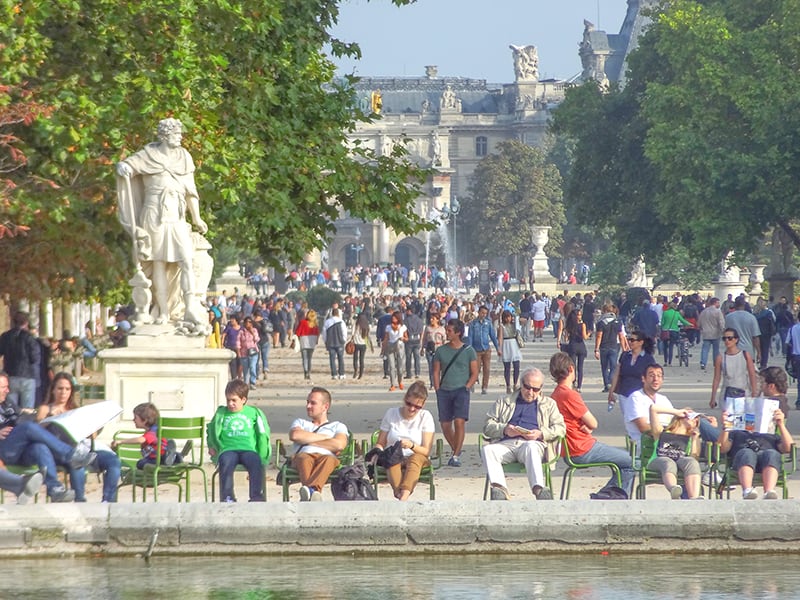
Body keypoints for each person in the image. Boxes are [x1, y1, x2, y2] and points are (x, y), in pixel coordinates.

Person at [116, 117, 208, 326]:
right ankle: (163, 311)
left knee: (186, 260)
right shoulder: (149, 155)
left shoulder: (184, 157)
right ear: (165, 136)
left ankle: (190, 306)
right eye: (176, 134)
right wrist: (123, 167)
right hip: (153, 214)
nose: (180, 137)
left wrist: (197, 218)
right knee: (158, 263)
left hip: (176, 214)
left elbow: (190, 191)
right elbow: (128, 166)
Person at [549, 352, 636, 498]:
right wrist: (588, 425)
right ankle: (609, 497)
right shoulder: (570, 395)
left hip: (569, 448)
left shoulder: (555, 394)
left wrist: (586, 425)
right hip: (581, 447)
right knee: (630, 462)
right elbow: (593, 422)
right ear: (571, 369)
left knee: (621, 461)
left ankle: (612, 495)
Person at [0, 372, 94, 502]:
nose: (8, 390)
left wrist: (27, 414)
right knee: (28, 427)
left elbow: (19, 419)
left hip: (21, 448)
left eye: (7, 386)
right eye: (3, 387)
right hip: (5, 449)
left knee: (40, 447)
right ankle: (71, 454)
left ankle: (54, 489)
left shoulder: (7, 403)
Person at [481, 367, 565, 501]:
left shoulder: (549, 404)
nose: (531, 392)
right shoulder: (504, 401)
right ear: (521, 384)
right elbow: (487, 426)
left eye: (536, 389)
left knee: (530, 447)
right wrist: (505, 429)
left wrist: (541, 433)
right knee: (487, 450)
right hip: (506, 444)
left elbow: (561, 428)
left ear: (541, 388)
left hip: (534, 444)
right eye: (527, 387)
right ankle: (500, 489)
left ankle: (539, 489)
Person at [36, 372, 121, 502]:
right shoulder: (46, 409)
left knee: (113, 461)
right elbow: (37, 429)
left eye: (67, 389)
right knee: (77, 462)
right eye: (60, 388)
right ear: (53, 390)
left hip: (82, 448)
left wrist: (93, 426)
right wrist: (51, 419)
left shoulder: (75, 409)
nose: (63, 392)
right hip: (59, 452)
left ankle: (108, 501)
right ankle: (79, 499)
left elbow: (89, 435)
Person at [207, 379, 270, 503]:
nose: (230, 404)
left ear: (243, 400)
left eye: (234, 400)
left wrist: (263, 452)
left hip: (248, 449)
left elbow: (262, 433)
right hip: (228, 449)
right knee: (226, 462)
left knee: (255, 462)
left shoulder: (253, 413)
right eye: (228, 400)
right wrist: (211, 445)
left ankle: (256, 496)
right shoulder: (221, 413)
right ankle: (228, 496)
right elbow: (211, 429)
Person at [373, 381, 435, 500]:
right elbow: (381, 442)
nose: (412, 409)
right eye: (409, 404)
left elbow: (426, 450)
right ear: (405, 399)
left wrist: (411, 445)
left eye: (417, 407)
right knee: (392, 458)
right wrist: (377, 452)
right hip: (395, 454)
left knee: (415, 460)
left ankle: (403, 497)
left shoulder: (425, 417)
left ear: (423, 405)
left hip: (417, 454)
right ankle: (399, 494)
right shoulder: (391, 413)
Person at [718, 406, 793, 499]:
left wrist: (781, 425)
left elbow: (788, 448)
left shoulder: (770, 433)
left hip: (767, 461)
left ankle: (769, 491)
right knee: (747, 453)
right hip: (742, 462)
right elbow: (722, 448)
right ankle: (747, 490)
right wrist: (726, 427)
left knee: (771, 454)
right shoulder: (736, 432)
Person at [289, 387, 349, 501]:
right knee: (304, 458)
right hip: (303, 456)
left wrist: (307, 439)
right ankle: (314, 493)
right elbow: (295, 435)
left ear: (325, 407)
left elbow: (339, 445)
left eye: (313, 403)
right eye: (307, 402)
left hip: (326, 458)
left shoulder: (337, 426)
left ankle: (309, 492)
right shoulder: (300, 422)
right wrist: (326, 438)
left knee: (329, 460)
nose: (308, 406)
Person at [433, 318, 478, 467]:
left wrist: (467, 386)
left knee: (459, 422)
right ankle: (456, 449)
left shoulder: (468, 350)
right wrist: (437, 388)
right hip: (444, 390)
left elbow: (475, 372)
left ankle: (456, 455)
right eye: (447, 329)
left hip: (461, 390)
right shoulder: (440, 351)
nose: (446, 332)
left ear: (458, 333)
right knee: (445, 425)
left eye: (449, 330)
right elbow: (436, 371)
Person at [647, 404, 703, 500]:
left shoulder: (691, 438)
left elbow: (694, 458)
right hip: (659, 460)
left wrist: (695, 440)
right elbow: (653, 409)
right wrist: (677, 412)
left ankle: (694, 497)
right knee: (668, 462)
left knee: (691, 462)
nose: (694, 420)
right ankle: (674, 489)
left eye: (696, 420)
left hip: (680, 461)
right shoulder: (661, 432)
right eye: (691, 416)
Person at [110, 402, 179, 470]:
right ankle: (175, 457)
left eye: (135, 418)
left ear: (145, 420)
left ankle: (167, 458)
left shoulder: (153, 431)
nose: (133, 420)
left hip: (156, 460)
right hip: (159, 455)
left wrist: (121, 441)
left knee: (140, 463)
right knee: (147, 459)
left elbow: (140, 440)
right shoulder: (158, 429)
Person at [621, 363, 675, 447]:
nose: (655, 379)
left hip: (669, 444)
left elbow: (674, 422)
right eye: (651, 375)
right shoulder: (636, 398)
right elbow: (643, 428)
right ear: (643, 378)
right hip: (646, 447)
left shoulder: (664, 399)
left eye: (659, 376)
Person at [0, 311, 41, 410]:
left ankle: (11, 424)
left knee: (10, 407)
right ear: (26, 322)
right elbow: (35, 358)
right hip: (28, 376)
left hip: (10, 375)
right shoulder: (30, 338)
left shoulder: (5, 336)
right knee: (27, 409)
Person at [608, 332, 656, 412]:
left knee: (638, 418)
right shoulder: (625, 356)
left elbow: (651, 377)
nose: (629, 342)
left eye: (632, 340)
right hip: (624, 393)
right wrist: (611, 391)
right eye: (629, 339)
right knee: (628, 419)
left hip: (641, 394)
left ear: (641, 342)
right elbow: (617, 374)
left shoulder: (648, 359)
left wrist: (652, 393)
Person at [710, 328, 757, 409]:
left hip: (743, 393)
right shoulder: (720, 357)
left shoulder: (745, 355)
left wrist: (754, 392)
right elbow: (716, 378)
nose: (727, 341)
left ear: (736, 339)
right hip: (726, 394)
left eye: (730, 338)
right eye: (724, 338)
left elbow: (752, 374)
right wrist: (713, 397)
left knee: (742, 419)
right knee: (728, 420)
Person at [466, 305, 500, 395]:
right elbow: (470, 337)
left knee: (487, 369)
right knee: (475, 369)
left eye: (485, 313)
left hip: (486, 349)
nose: (484, 315)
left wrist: (498, 348)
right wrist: (469, 349)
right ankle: (472, 383)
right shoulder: (473, 324)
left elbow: (493, 336)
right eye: (482, 313)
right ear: (478, 312)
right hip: (476, 350)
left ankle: (485, 387)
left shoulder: (488, 323)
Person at [594, 302, 626, 393]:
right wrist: (624, 348)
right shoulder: (617, 322)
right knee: (613, 366)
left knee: (604, 367)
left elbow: (599, 336)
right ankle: (611, 382)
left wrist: (596, 349)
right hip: (614, 346)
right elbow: (621, 336)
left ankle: (606, 384)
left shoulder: (601, 322)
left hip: (604, 346)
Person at [725, 296, 761, 367]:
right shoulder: (751, 317)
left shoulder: (728, 317)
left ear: (735, 304)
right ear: (744, 304)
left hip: (733, 350)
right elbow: (755, 337)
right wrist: (759, 352)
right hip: (748, 350)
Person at [563, 308, 589, 391]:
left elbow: (566, 338)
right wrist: (589, 334)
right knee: (580, 368)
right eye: (579, 315)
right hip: (581, 346)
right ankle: (579, 386)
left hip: (572, 346)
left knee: (572, 367)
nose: (580, 316)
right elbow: (585, 337)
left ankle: (573, 383)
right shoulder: (582, 325)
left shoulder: (569, 325)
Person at [497, 310, 522, 394]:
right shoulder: (501, 326)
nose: (508, 319)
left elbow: (521, 322)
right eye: (506, 317)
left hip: (514, 344)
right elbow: (500, 337)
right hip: (506, 344)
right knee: (507, 367)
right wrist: (499, 348)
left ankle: (515, 384)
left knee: (517, 365)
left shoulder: (514, 325)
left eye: (509, 317)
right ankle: (508, 385)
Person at [382, 311, 408, 392]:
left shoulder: (403, 327)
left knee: (400, 367)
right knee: (392, 367)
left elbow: (407, 338)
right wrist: (383, 348)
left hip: (400, 346)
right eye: (392, 317)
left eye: (395, 317)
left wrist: (403, 338)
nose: (393, 318)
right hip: (390, 346)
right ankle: (392, 384)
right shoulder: (388, 327)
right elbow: (386, 338)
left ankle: (400, 381)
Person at [698, 297, 726, 370]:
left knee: (705, 349)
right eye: (718, 302)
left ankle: (703, 363)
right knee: (716, 349)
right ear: (715, 303)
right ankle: (715, 363)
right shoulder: (718, 312)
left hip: (706, 333)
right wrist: (723, 331)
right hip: (715, 333)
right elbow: (721, 323)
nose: (719, 304)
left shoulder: (704, 312)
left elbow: (699, 323)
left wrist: (702, 328)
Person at [660, 301, 690, 366]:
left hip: (666, 331)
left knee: (665, 347)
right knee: (671, 346)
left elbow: (662, 323)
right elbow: (683, 321)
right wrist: (690, 324)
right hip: (674, 331)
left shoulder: (665, 313)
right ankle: (670, 362)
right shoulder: (676, 313)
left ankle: (665, 361)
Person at [421, 314, 446, 390]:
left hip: (439, 348)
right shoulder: (427, 328)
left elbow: (444, 340)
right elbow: (424, 339)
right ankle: (432, 383)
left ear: (437, 320)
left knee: (439, 367)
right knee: (431, 367)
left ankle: (440, 382)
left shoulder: (442, 329)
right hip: (430, 349)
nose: (431, 320)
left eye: (433, 318)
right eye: (431, 318)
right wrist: (422, 348)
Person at [322, 308, 347, 380]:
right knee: (341, 358)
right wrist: (344, 340)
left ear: (332, 313)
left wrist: (326, 341)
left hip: (331, 343)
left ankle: (334, 374)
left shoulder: (327, 322)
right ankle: (341, 374)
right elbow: (344, 332)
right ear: (338, 314)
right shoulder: (341, 321)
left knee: (332, 359)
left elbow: (324, 333)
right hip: (339, 342)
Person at [295, 309, 320, 380]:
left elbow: (297, 332)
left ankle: (306, 371)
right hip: (312, 340)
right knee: (309, 358)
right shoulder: (315, 323)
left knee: (304, 358)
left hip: (304, 339)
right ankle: (308, 371)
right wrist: (317, 341)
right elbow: (317, 333)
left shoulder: (303, 322)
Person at [237, 317, 260, 390]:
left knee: (252, 367)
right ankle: (246, 383)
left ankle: (252, 382)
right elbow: (238, 342)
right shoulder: (241, 332)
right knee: (245, 369)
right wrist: (238, 352)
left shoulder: (254, 330)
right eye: (246, 322)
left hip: (253, 352)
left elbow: (257, 339)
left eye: (250, 322)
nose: (248, 323)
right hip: (244, 352)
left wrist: (252, 332)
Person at [404, 306, 424, 380]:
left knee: (408, 357)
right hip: (417, 339)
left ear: (409, 311)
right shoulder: (419, 320)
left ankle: (409, 373)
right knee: (417, 357)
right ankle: (417, 372)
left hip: (409, 339)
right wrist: (421, 340)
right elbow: (422, 331)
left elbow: (404, 330)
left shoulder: (406, 320)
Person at [351, 312, 372, 380]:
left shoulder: (356, 324)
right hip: (363, 344)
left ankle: (355, 370)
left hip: (356, 343)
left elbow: (352, 333)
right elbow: (368, 335)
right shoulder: (367, 325)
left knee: (355, 358)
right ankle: (361, 373)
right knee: (361, 359)